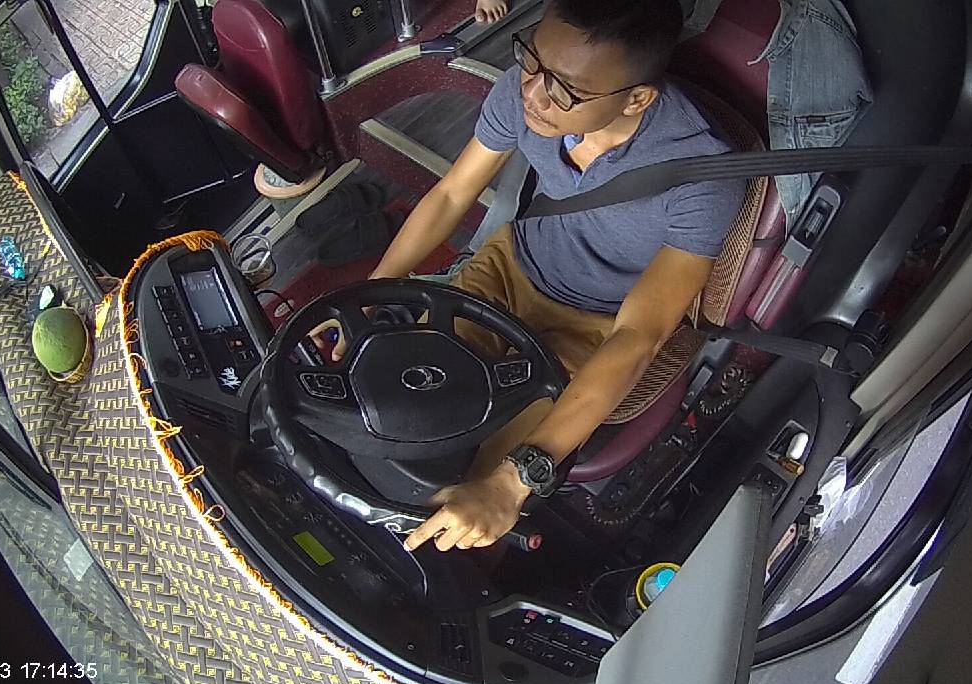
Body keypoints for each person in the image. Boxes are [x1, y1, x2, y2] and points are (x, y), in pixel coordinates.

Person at [315, 0, 744, 552]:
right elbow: (451, 194)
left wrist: (512, 483)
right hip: (507, 268)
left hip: (595, 325)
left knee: (475, 487)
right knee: (400, 406)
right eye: (532, 62)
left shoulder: (703, 178)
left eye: (567, 90)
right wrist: (366, 298)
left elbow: (640, 335)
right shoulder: (527, 90)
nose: (535, 96)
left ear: (636, 99)